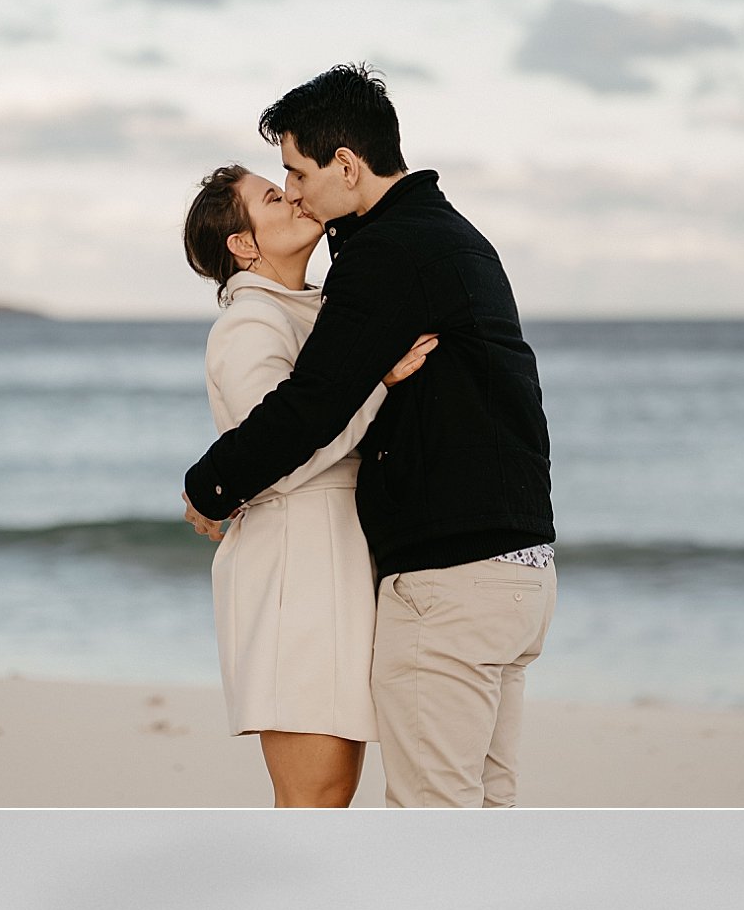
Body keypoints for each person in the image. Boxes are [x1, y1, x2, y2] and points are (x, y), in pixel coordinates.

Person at [182, 65, 557, 809]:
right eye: (277, 183)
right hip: (513, 570)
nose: (293, 191)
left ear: (346, 166)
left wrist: (209, 488)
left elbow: (311, 409)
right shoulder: (449, 237)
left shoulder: (384, 258)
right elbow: (302, 414)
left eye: (294, 172)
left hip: (453, 580)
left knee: (432, 813)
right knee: (477, 807)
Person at [183, 163, 438, 808]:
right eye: (273, 196)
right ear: (244, 244)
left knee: (331, 793)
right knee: (315, 796)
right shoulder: (251, 325)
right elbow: (273, 456)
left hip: (331, 563)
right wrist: (378, 384)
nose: (294, 194)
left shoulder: (313, 311)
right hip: (294, 570)